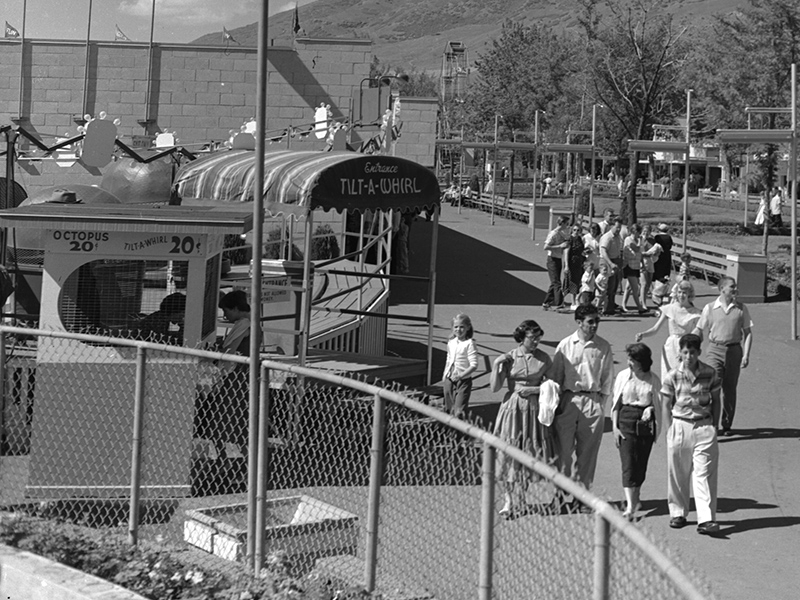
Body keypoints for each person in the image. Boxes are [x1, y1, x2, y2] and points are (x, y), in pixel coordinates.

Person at [550, 305, 615, 499]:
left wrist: (600, 403)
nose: (595, 325)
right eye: (590, 321)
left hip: (593, 401)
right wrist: (557, 405)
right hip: (569, 400)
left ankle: (583, 497)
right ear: (579, 322)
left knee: (587, 453)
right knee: (562, 451)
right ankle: (560, 495)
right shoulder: (565, 345)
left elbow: (607, 378)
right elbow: (556, 376)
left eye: (597, 321)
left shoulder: (603, 346)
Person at [491, 319, 554, 517]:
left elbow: (553, 387)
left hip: (533, 409)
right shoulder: (509, 357)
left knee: (528, 452)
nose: (536, 341)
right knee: (509, 452)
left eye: (538, 337)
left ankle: (521, 498)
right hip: (512, 409)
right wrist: (496, 365)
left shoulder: (544, 358)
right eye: (532, 337)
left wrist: (534, 390)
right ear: (522, 337)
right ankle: (508, 501)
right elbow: (494, 387)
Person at [661, 333, 721, 535]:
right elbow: (666, 403)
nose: (689, 357)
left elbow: (716, 399)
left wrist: (715, 425)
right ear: (680, 352)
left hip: (704, 426)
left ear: (699, 352)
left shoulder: (710, 373)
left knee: (704, 473)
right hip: (680, 425)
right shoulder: (672, 375)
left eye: (693, 352)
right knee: (679, 472)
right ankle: (678, 512)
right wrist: (669, 429)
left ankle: (706, 519)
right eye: (685, 352)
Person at [194, 290, 254, 460]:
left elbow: (229, 350)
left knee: (223, 417)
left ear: (235, 308)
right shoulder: (249, 323)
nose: (225, 315)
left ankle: (225, 456)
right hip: (239, 374)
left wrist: (211, 355)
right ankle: (239, 456)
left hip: (235, 375)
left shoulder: (244, 324)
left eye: (226, 311)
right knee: (233, 418)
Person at [692, 276, 753, 436]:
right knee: (712, 388)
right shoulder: (710, 308)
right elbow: (699, 329)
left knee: (730, 389)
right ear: (722, 289)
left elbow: (747, 333)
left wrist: (746, 354)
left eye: (735, 286)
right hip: (714, 350)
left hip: (734, 351)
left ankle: (726, 424)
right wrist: (688, 346)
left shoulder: (741, 309)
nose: (735, 289)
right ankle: (712, 424)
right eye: (732, 286)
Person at [611, 343, 662, 520]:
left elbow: (659, 404)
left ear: (642, 361)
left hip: (645, 424)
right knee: (628, 464)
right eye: (629, 359)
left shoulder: (653, 379)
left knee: (640, 463)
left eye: (632, 359)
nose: (629, 362)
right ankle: (630, 506)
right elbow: (616, 403)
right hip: (625, 419)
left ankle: (636, 496)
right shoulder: (623, 376)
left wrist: (651, 409)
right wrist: (615, 428)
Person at [636, 280, 702, 381]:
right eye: (679, 292)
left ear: (689, 294)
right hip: (670, 347)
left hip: (686, 346)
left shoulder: (695, 312)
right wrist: (643, 334)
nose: (681, 295)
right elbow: (655, 328)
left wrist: (690, 350)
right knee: (668, 378)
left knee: (684, 378)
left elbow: (697, 335)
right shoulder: (669, 308)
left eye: (684, 292)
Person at [442, 313, 478, 418]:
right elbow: (449, 360)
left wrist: (460, 376)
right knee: (448, 408)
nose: (458, 329)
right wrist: (445, 375)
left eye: (462, 327)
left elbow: (474, 365)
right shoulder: (451, 342)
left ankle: (459, 427)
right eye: (456, 327)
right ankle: (448, 427)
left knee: (459, 411)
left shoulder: (469, 343)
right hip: (450, 378)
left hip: (463, 380)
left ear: (468, 328)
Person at [542, 216, 570, 310]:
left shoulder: (562, 233)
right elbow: (546, 247)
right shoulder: (553, 233)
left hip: (558, 259)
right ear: (562, 223)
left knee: (554, 282)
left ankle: (546, 302)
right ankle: (559, 304)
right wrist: (559, 246)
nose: (568, 226)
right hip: (552, 260)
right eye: (567, 223)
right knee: (557, 282)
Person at [621, 223, 647, 313]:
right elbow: (636, 249)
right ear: (634, 231)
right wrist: (640, 241)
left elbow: (640, 253)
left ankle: (623, 305)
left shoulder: (638, 240)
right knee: (635, 288)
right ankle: (639, 307)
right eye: (638, 232)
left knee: (629, 287)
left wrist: (642, 263)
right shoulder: (628, 239)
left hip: (636, 265)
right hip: (629, 265)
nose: (639, 234)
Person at [598, 217, 623, 314]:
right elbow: (603, 251)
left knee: (614, 286)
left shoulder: (617, 236)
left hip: (615, 261)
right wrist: (611, 263)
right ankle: (605, 309)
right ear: (612, 226)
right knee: (608, 286)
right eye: (617, 227)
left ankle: (610, 307)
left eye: (620, 227)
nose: (618, 229)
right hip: (607, 261)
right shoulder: (607, 237)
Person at [563, 223, 585, 310]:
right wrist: (566, 265)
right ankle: (570, 302)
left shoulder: (579, 239)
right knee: (570, 281)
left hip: (579, 263)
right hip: (571, 262)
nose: (576, 232)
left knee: (577, 281)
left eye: (578, 230)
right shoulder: (569, 239)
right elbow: (566, 253)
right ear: (572, 230)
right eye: (574, 230)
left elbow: (581, 250)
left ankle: (574, 301)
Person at [639, 223, 662, 309]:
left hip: (650, 262)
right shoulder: (639, 239)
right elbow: (638, 252)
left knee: (648, 283)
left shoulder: (652, 241)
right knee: (643, 284)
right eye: (644, 231)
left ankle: (641, 299)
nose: (646, 233)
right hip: (642, 262)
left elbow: (655, 250)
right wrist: (645, 254)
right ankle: (643, 304)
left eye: (648, 231)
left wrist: (656, 253)